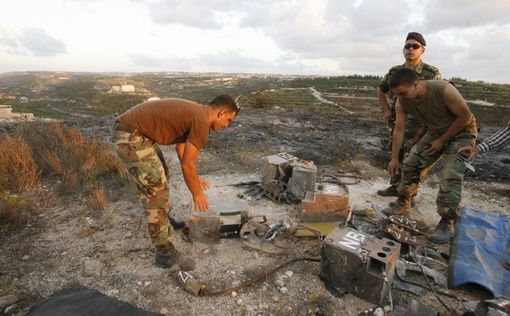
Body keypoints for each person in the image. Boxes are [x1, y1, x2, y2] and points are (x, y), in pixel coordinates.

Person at [112, 95, 239, 270]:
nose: (227, 125)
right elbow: (188, 164)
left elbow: (182, 149)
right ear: (221, 112)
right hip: (131, 135)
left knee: (161, 173)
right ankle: (164, 252)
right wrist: (197, 193)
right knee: (155, 190)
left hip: (137, 133)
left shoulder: (198, 114)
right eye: (228, 120)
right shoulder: (201, 122)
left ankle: (163, 219)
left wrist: (196, 179)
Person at [383, 68, 477, 244]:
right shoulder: (402, 101)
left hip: (462, 132)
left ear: (416, 84)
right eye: (398, 94)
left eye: (404, 92)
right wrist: (394, 158)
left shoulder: (444, 90)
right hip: (436, 131)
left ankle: (447, 221)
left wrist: (442, 141)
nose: (402, 97)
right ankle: (404, 202)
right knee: (411, 163)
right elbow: (399, 129)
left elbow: (465, 117)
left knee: (451, 176)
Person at [377, 32, 441, 199]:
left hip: (419, 125)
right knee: (396, 154)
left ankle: (408, 195)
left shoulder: (431, 72)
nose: (410, 49)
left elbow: (436, 100)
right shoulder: (394, 71)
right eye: (407, 46)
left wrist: (427, 126)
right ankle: (395, 186)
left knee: (413, 159)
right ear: (403, 49)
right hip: (397, 121)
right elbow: (381, 90)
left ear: (422, 50)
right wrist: (385, 109)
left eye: (415, 46)